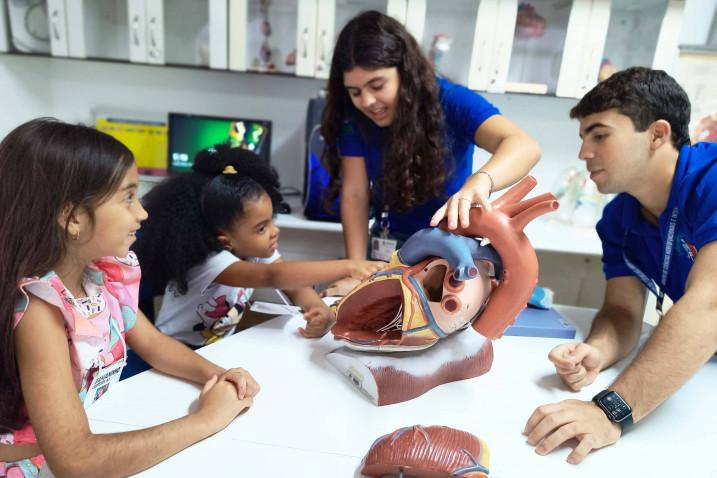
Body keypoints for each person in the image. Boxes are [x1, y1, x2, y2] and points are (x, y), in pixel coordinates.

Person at [0, 119, 260, 477]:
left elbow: (152, 344)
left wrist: (219, 375)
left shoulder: (99, 277)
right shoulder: (38, 311)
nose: (142, 212)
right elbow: (77, 461)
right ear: (73, 217)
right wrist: (206, 419)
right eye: (128, 197)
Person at [524, 67, 717, 464]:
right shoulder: (618, 220)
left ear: (657, 135)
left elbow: (709, 307)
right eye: (583, 138)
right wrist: (596, 350)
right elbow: (622, 310)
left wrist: (610, 411)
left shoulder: (711, 182)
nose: (583, 153)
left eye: (600, 135)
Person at [320, 10, 541, 295]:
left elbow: (524, 146)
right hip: (387, 248)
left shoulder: (451, 100)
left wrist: (481, 181)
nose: (367, 101)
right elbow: (355, 193)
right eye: (354, 91)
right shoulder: (355, 118)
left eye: (377, 85)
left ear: (406, 72)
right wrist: (356, 267)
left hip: (449, 249)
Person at [133, 144, 384, 347]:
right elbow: (274, 276)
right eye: (261, 228)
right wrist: (349, 266)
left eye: (271, 220)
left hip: (217, 347)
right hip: (176, 346)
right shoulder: (213, 262)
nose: (275, 231)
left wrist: (317, 308)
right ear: (226, 240)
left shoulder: (256, 249)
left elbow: (293, 285)